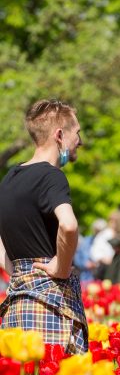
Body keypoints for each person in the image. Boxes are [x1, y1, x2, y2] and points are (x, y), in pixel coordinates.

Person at [0, 99, 88, 355]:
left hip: (18, 306)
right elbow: (69, 225)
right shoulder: (52, 176)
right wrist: (61, 267)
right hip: (50, 306)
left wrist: (14, 267)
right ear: (59, 135)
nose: (80, 141)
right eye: (77, 133)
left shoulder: (10, 178)